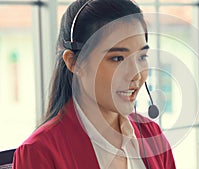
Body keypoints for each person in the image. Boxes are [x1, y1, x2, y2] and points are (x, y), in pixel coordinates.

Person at [12, 0, 176, 169]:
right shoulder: (39, 152)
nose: (135, 74)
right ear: (74, 62)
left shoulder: (152, 136)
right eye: (117, 58)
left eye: (142, 57)